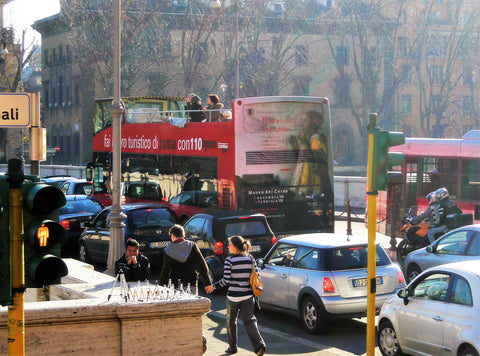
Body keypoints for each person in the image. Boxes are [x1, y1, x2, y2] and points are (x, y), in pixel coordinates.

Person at [205, 236, 266, 356]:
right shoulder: (250, 258)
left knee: (231, 322)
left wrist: (213, 286)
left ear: (235, 247)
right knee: (250, 321)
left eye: (229, 245)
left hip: (233, 297)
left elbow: (226, 280)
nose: (228, 247)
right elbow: (256, 275)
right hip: (248, 296)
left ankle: (232, 348)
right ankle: (259, 345)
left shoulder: (229, 260)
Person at [159, 224, 211, 294]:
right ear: (183, 235)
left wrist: (161, 287)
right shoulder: (192, 246)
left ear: (172, 236)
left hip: (176, 286)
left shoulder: (168, 250)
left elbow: (165, 271)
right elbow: (202, 265)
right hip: (192, 284)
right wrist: (207, 283)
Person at [289, 110, 329, 194]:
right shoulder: (310, 140)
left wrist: (304, 143)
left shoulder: (316, 141)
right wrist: (295, 147)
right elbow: (303, 162)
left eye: (305, 121)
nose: (302, 124)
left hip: (312, 189)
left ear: (313, 123)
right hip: (305, 187)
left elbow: (315, 164)